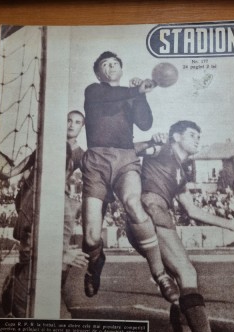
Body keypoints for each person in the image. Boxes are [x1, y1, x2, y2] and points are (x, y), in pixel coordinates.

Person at [128, 120, 234, 332]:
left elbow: (194, 211)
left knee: (181, 295)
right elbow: (126, 150)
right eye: (192, 135)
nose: (197, 139)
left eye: (199, 136)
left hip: (155, 214)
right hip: (150, 210)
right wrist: (150, 141)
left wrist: (232, 224)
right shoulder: (162, 150)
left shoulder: (183, 170)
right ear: (175, 136)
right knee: (188, 273)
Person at [0, 110, 88, 332]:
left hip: (29, 285)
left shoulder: (60, 199)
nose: (71, 125)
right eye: (67, 120)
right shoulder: (39, 199)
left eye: (77, 122)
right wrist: (62, 255)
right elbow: (29, 247)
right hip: (32, 288)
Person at [81, 51, 178, 302]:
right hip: (96, 162)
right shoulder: (94, 90)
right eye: (105, 65)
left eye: (115, 63)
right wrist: (138, 90)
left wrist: (142, 95)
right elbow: (112, 94)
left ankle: (160, 275)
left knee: (134, 204)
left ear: (121, 69)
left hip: (126, 158)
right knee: (91, 237)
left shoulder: (131, 95)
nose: (111, 67)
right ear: (98, 72)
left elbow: (145, 124)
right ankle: (95, 263)